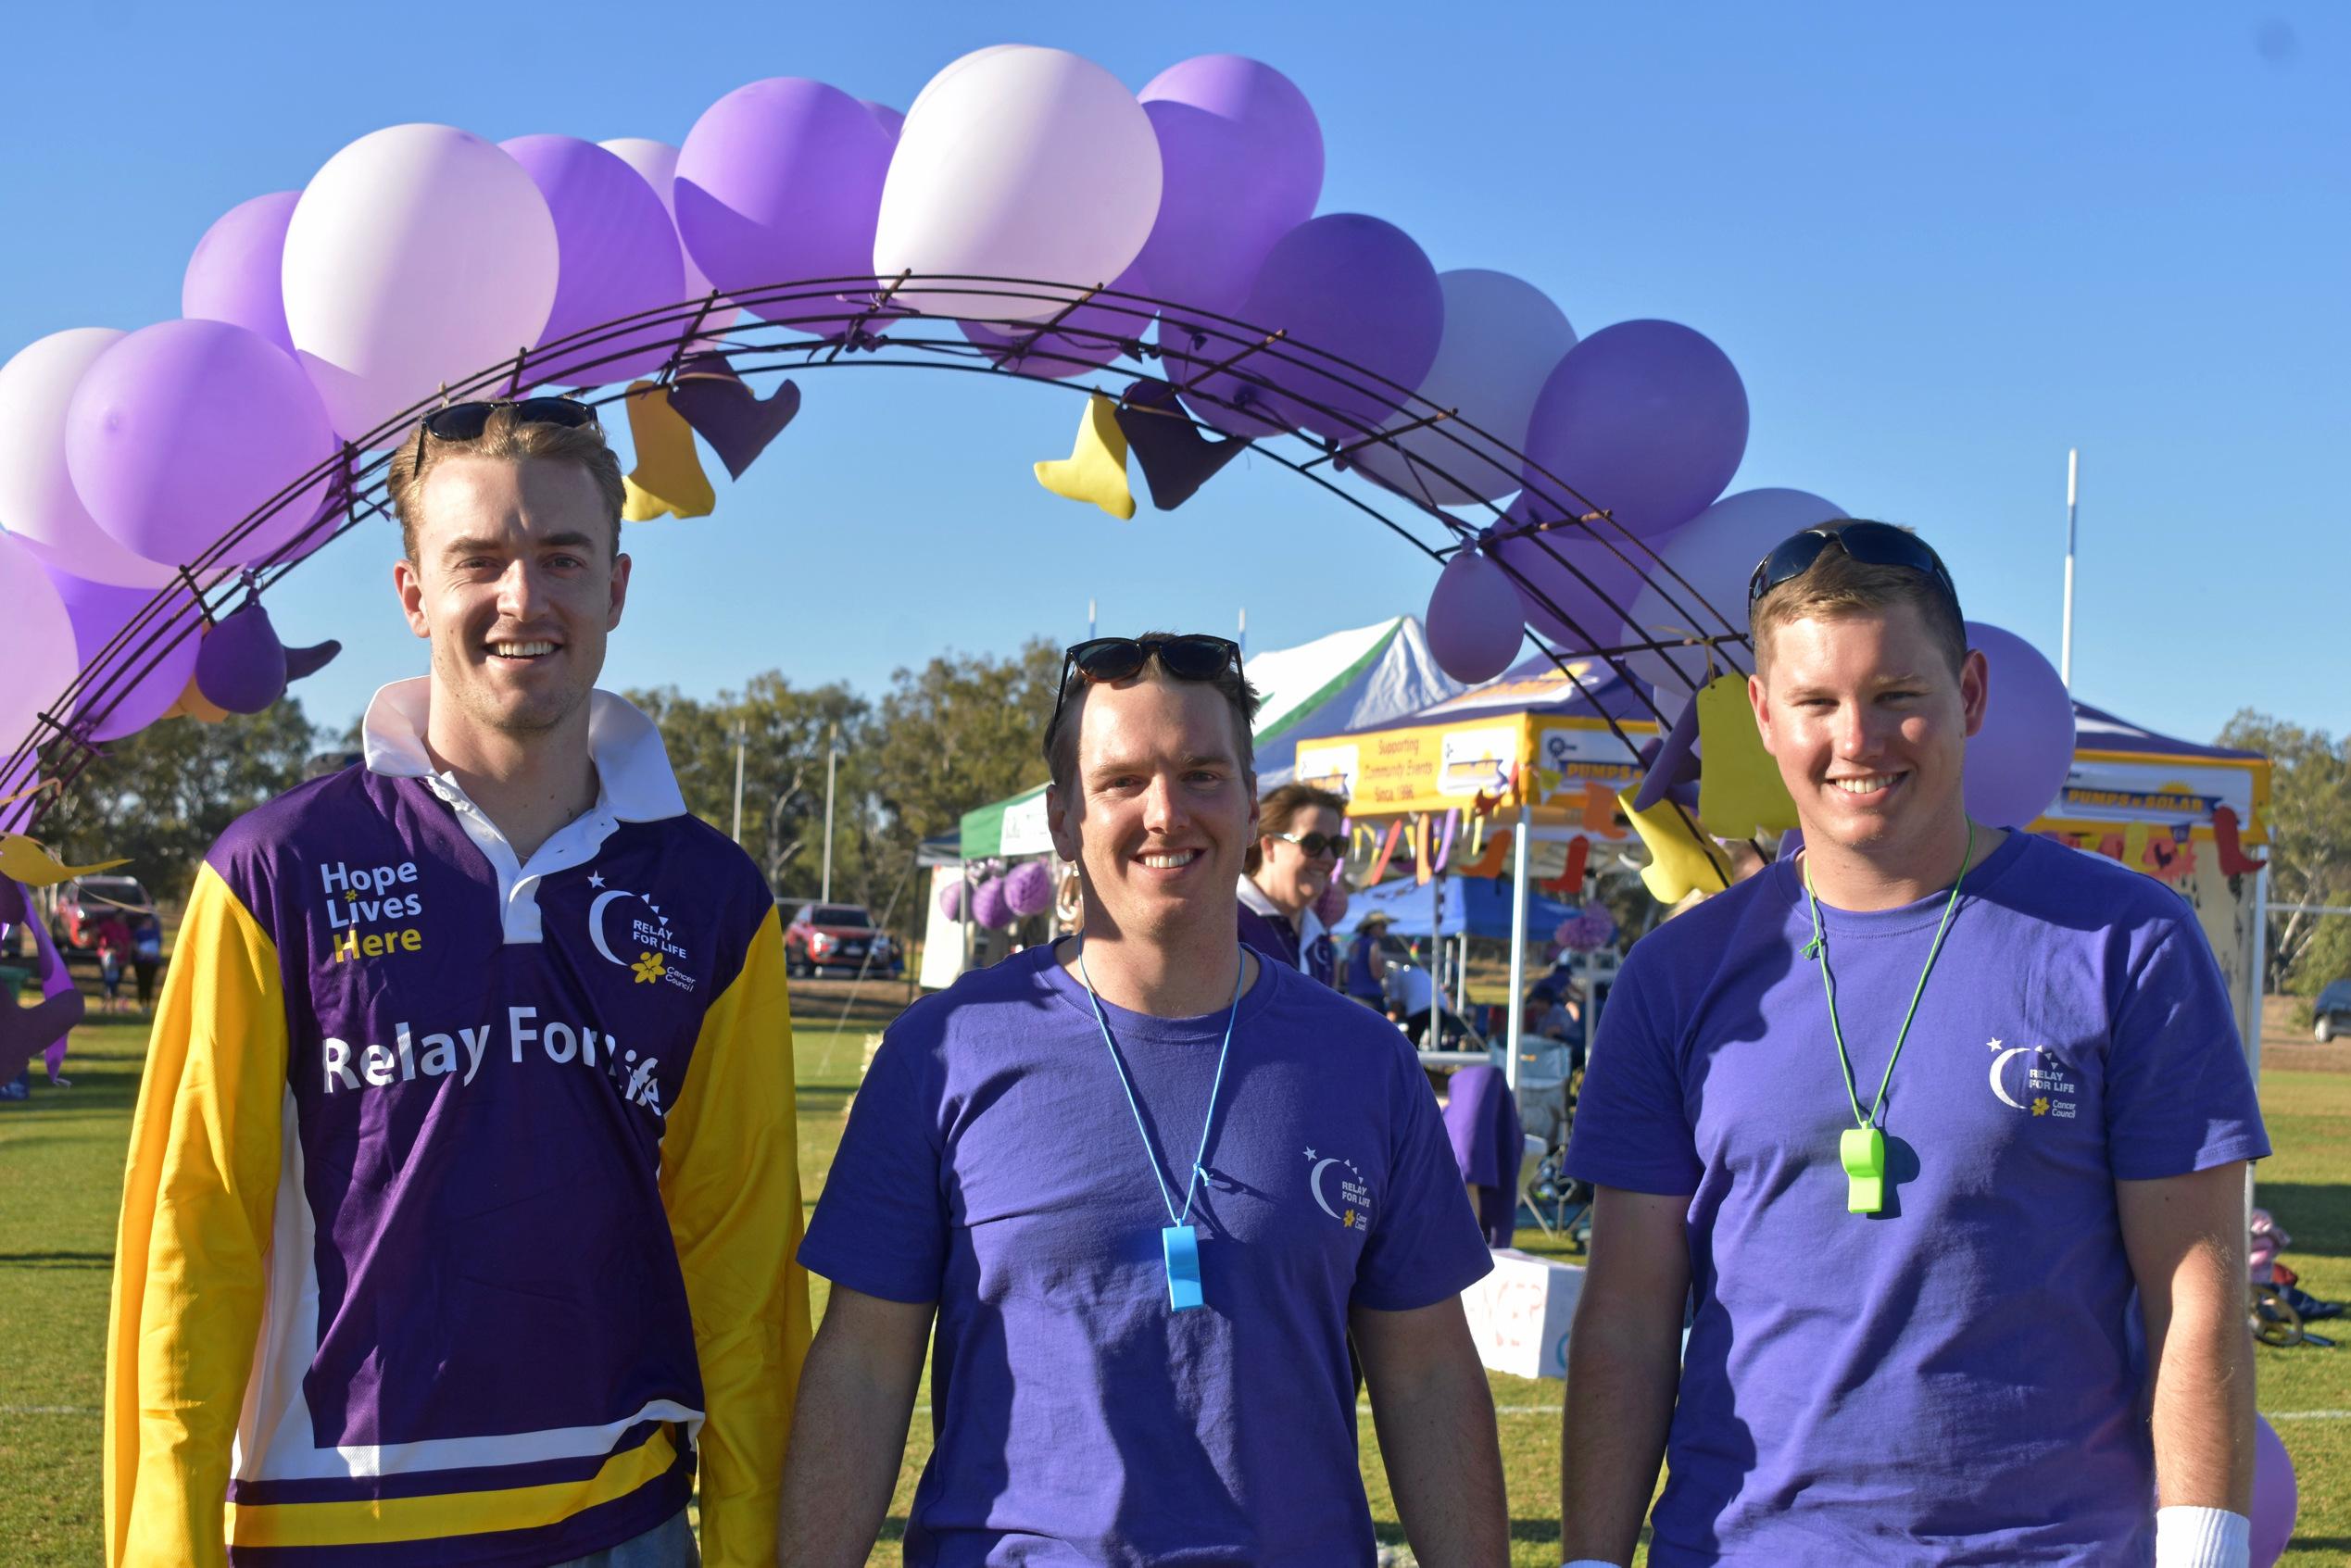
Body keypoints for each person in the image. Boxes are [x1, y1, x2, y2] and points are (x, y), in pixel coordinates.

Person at [105, 398, 811, 1568]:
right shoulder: (275, 870)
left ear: (618, 589)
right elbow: (196, 1245)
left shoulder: (713, 897)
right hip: (332, 1532)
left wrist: (748, 1542)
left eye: (562, 559)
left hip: (620, 1532)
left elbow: (742, 1270)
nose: (523, 599)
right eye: (478, 560)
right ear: (412, 594)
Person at [1559, 521, 2268, 1567]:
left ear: (1970, 695)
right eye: (1816, 702)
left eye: (1898, 696)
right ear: (1762, 714)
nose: (1858, 739)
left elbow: (2195, 1287)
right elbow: (1627, 1307)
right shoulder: (1677, 977)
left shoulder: (2125, 942)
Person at [781, 632, 1507, 1566]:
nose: (1166, 812)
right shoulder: (944, 1051)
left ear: (1251, 806)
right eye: (1123, 781)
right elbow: (864, 1370)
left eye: (1203, 774)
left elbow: (1428, 1379)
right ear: (1062, 817)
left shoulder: (1365, 1063)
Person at [1236, 780, 1347, 985]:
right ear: (1269, 846)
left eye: (1337, 845)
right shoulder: (1226, 920)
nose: (1329, 858)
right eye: (1313, 843)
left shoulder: (1318, 936)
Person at [1345, 908, 1393, 1009]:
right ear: (1373, 927)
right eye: (1383, 926)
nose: (1386, 929)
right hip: (1370, 997)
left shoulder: (1354, 943)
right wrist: (1383, 968)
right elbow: (1376, 974)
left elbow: (1345, 975)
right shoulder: (1373, 944)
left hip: (1353, 995)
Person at [93, 909, 132, 1015]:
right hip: (108, 960)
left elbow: (128, 944)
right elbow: (95, 933)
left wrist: (127, 959)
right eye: (120, 916)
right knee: (107, 983)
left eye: (123, 917)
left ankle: (113, 1006)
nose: (121, 919)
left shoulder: (125, 928)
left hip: (120, 961)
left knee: (115, 984)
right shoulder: (107, 925)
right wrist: (102, 947)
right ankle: (105, 1005)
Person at [129, 914, 161, 1015]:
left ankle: (147, 1004)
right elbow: (134, 944)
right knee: (141, 982)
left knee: (149, 983)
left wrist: (153, 954)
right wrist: (143, 953)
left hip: (153, 961)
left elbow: (158, 944)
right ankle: (140, 1004)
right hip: (141, 961)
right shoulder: (139, 932)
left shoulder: (156, 932)